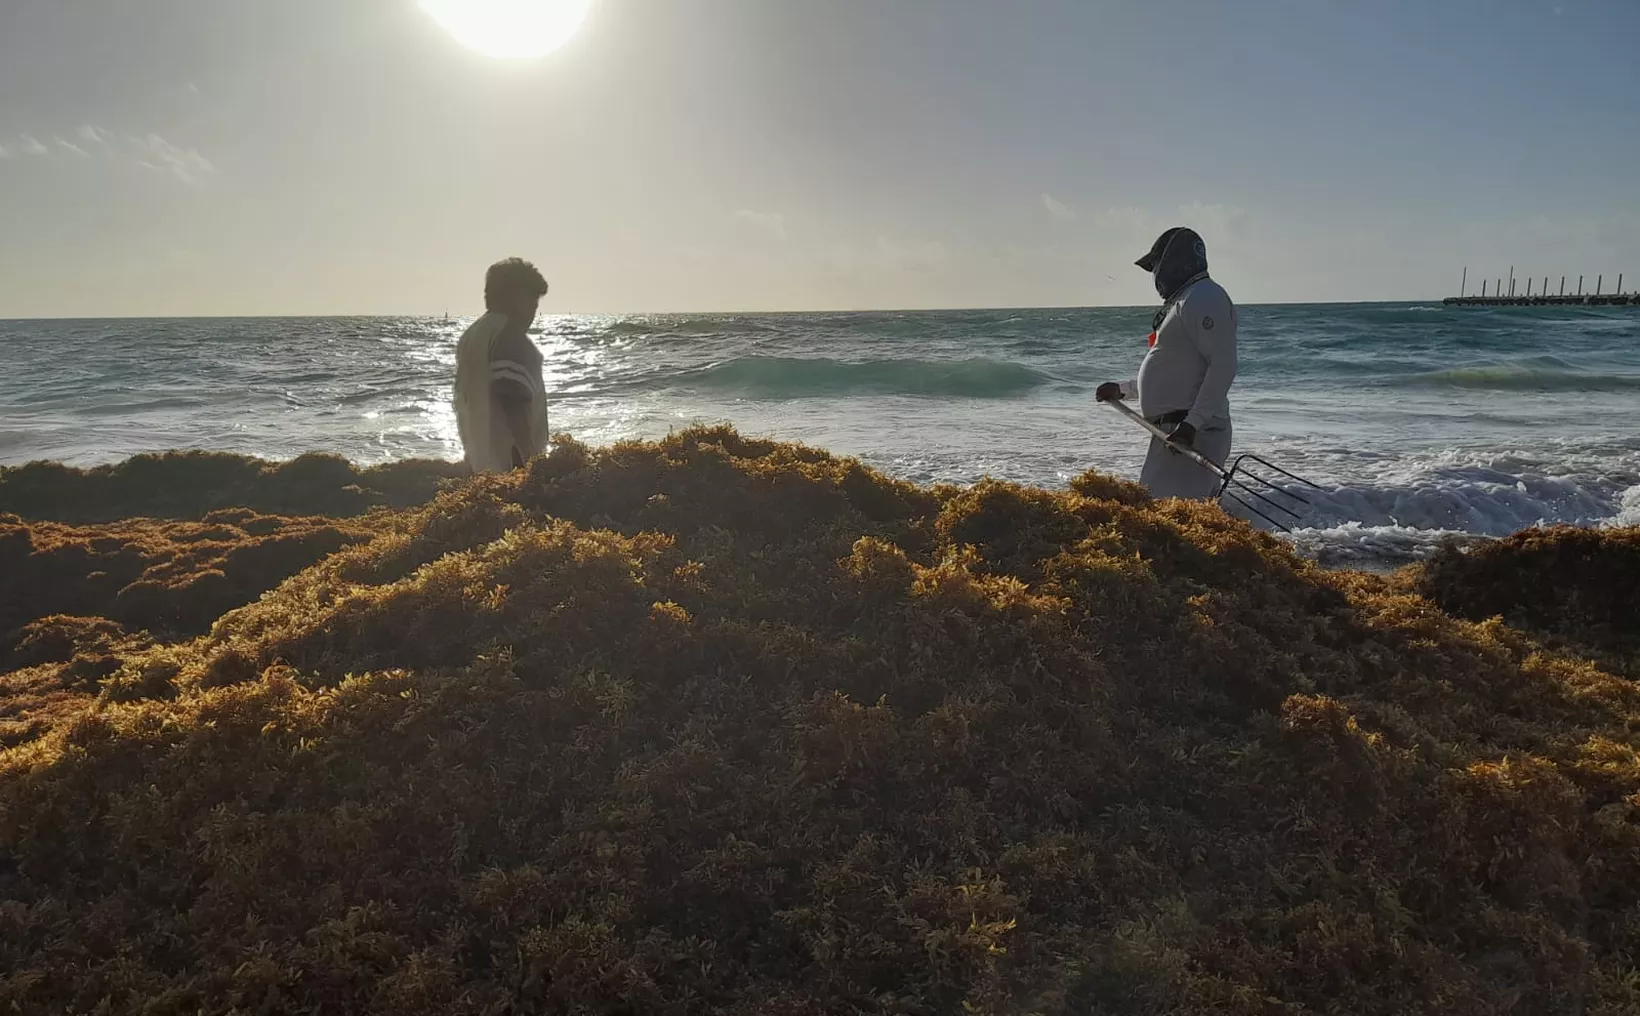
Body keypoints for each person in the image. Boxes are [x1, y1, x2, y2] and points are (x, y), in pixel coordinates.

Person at [1096, 227, 1237, 500]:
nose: (1155, 276)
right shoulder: (1187, 299)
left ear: (1172, 262)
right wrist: (1124, 390)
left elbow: (1224, 366)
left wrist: (1192, 424)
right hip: (1174, 432)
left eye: (1156, 266)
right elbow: (1176, 370)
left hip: (1191, 433)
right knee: (1158, 510)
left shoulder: (1204, 296)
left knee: (1166, 514)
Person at [453, 258, 551, 473]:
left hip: (481, 466)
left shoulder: (472, 336)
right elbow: (512, 396)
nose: (533, 314)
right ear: (518, 297)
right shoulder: (511, 337)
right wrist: (531, 463)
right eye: (533, 304)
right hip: (512, 465)